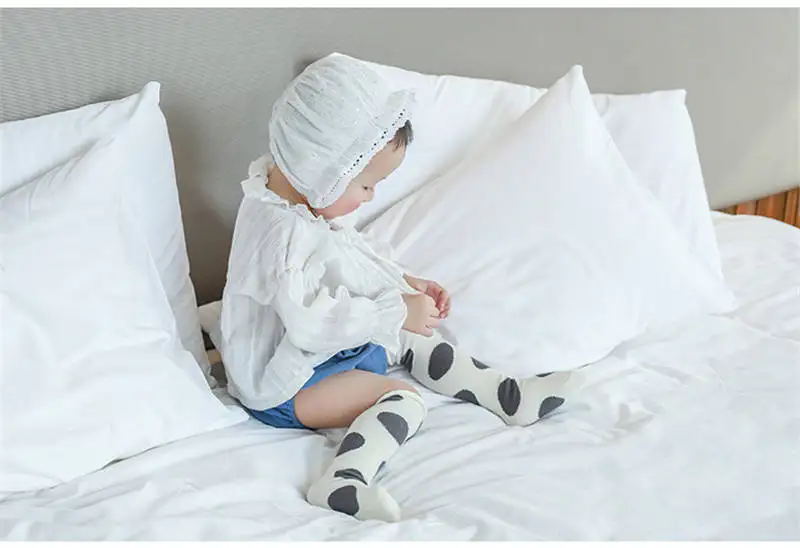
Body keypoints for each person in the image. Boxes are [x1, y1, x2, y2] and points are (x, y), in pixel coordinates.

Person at [219, 53, 575, 522]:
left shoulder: (295, 201)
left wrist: (403, 285)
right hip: (286, 383)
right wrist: (394, 310)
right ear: (321, 169)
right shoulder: (279, 237)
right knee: (402, 399)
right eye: (365, 184)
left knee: (412, 334)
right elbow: (308, 322)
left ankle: (506, 394)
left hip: (320, 349)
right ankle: (345, 480)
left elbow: (350, 259)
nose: (370, 196)